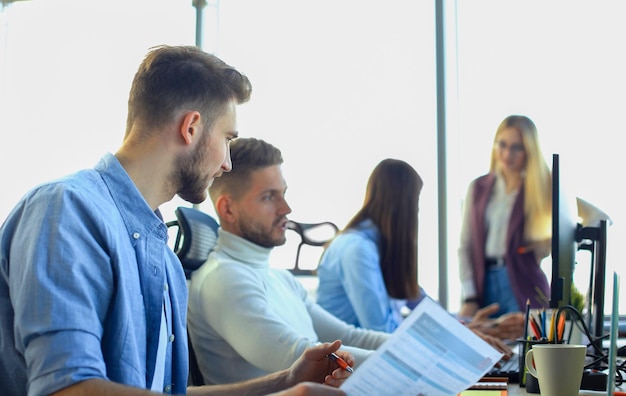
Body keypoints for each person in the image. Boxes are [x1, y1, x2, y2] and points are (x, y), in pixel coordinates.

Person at [0, 45, 352, 396]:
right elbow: (67, 390)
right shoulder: (66, 210)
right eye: (227, 139)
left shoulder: (165, 259)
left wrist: (286, 381)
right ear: (192, 128)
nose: (227, 163)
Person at [187, 137, 391, 386]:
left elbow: (349, 336)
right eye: (268, 197)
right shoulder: (222, 279)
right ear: (228, 209)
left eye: (283, 194)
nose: (286, 208)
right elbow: (300, 357)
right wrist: (409, 362)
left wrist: (417, 345)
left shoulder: (280, 278)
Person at [315, 158, 524, 341]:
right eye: (415, 205)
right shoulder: (357, 250)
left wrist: (481, 326)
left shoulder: (381, 250)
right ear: (403, 208)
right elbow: (382, 333)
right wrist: (464, 333)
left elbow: (424, 307)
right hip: (346, 369)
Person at [457, 115, 552, 319]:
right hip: (485, 284)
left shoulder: (542, 187)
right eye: (502, 144)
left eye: (517, 147)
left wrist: (547, 244)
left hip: (523, 284)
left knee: (526, 348)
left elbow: (590, 218)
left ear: (529, 150)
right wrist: (470, 297)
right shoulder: (478, 188)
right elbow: (466, 246)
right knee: (487, 347)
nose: (508, 154)